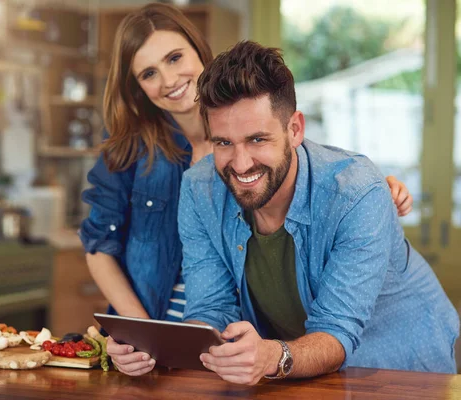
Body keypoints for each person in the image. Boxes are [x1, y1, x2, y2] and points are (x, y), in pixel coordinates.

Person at [106, 40, 459, 383]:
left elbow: (336, 331)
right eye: (224, 143)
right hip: (304, 370)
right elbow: (211, 308)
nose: (241, 164)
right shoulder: (200, 188)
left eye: (257, 139)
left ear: (294, 129)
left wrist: (273, 356)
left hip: (401, 367)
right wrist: (153, 348)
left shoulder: (357, 192)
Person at [81, 4, 413, 330]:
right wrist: (144, 332)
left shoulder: (249, 110)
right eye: (148, 73)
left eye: (175, 57)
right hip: (160, 323)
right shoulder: (130, 148)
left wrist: (372, 188)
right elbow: (98, 246)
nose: (168, 79)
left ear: (199, 51)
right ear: (137, 87)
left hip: (240, 330)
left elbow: (306, 165)